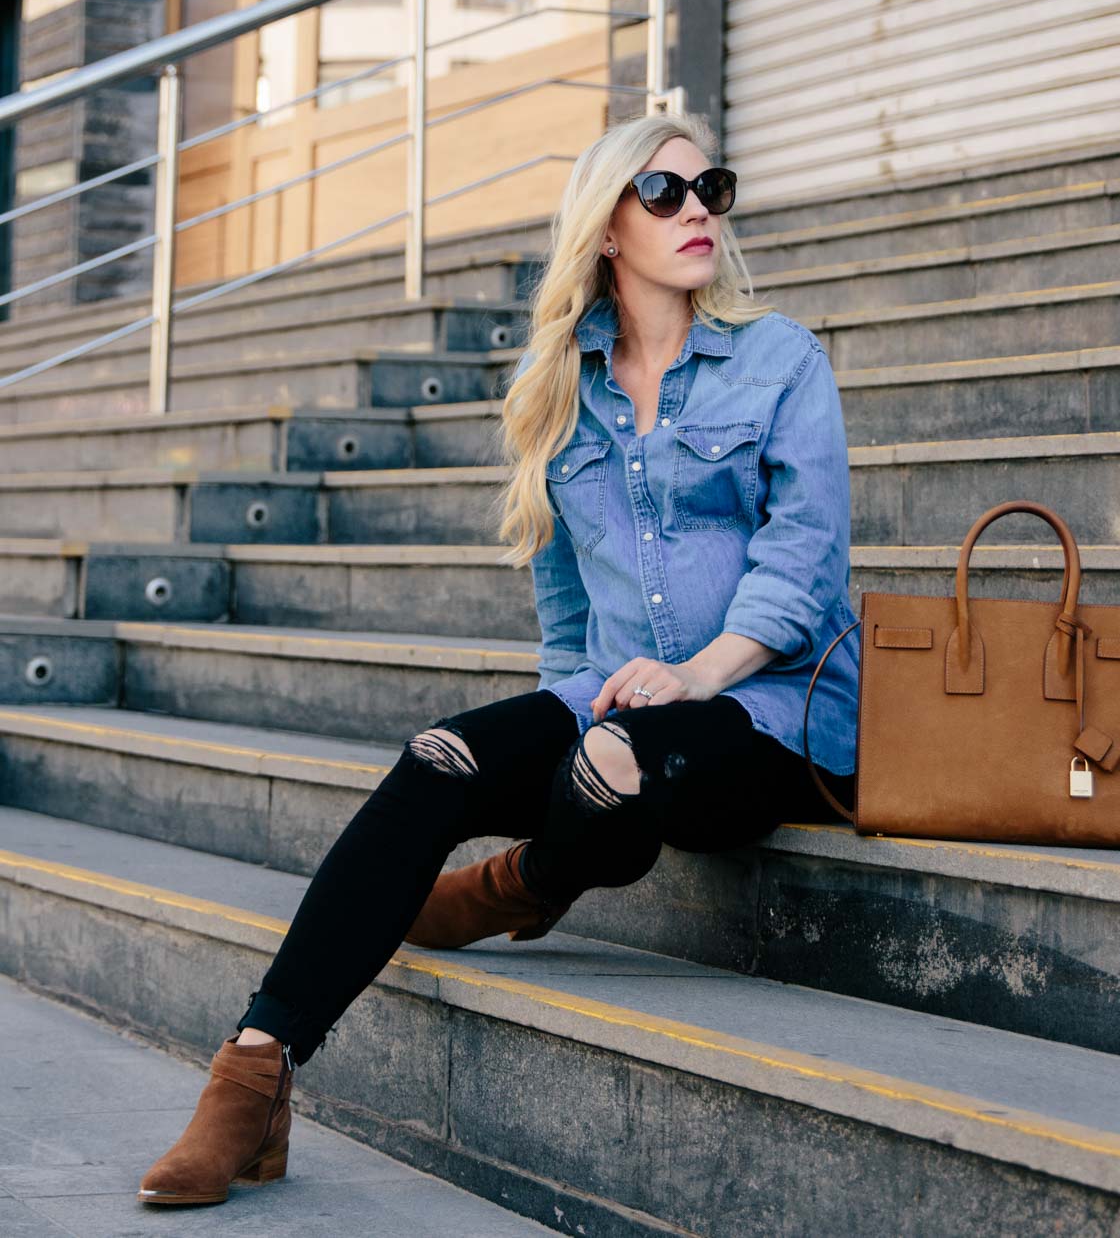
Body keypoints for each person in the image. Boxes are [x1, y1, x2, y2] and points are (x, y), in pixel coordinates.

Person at [136, 108, 861, 1207]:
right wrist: (537, 734)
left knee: (616, 756)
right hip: (618, 698)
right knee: (440, 757)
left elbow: (804, 562)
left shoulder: (779, 361)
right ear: (607, 229)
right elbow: (566, 613)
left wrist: (697, 674)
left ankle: (528, 878)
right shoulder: (562, 391)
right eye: (663, 193)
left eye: (709, 187)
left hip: (766, 714)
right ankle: (255, 1072)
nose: (697, 210)